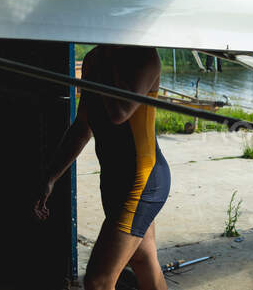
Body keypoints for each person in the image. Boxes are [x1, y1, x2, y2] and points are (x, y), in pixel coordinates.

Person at [33, 45, 171, 290]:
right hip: (114, 178)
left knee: (98, 280)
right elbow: (83, 125)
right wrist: (51, 176)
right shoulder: (94, 58)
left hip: (141, 180)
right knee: (143, 260)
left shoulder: (145, 57)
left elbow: (119, 112)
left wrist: (107, 57)